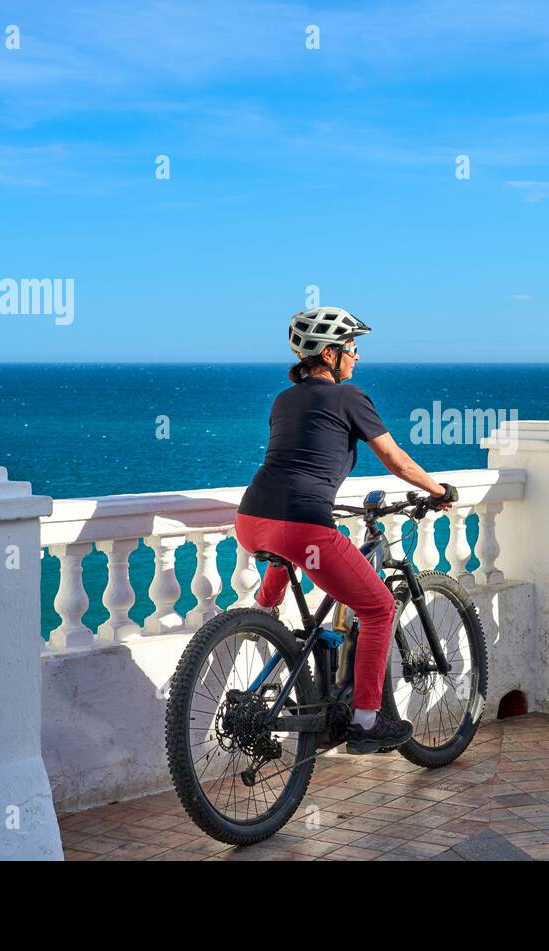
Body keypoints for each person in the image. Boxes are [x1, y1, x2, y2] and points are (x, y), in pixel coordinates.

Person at [234, 306, 456, 754]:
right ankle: (365, 722)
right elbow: (396, 461)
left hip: (252, 519)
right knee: (376, 608)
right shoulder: (350, 397)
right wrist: (439, 490)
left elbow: (299, 456)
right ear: (331, 355)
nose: (357, 357)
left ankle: (263, 619)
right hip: (302, 526)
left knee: (287, 558)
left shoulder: (282, 400)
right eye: (352, 348)